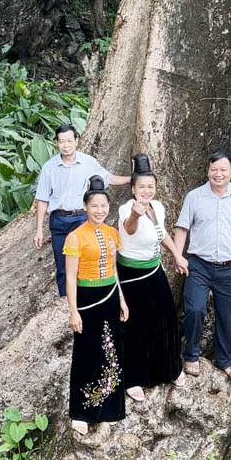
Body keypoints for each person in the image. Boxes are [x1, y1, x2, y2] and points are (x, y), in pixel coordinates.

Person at [173, 150, 231, 381]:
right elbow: (182, 228)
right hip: (199, 265)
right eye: (214, 169)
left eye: (223, 170)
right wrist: (178, 255)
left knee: (228, 316)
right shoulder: (194, 197)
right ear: (208, 171)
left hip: (230, 266)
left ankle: (226, 360)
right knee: (194, 308)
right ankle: (191, 355)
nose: (218, 174)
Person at [117, 154, 188, 400]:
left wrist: (177, 255)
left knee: (167, 317)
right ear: (133, 189)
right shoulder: (127, 209)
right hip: (132, 274)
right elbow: (129, 228)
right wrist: (136, 214)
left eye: (150, 186)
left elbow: (162, 233)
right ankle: (134, 379)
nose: (146, 191)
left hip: (155, 268)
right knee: (137, 325)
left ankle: (171, 369)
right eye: (142, 187)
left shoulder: (158, 207)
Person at [34, 123, 130, 300]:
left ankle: (86, 298)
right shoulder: (50, 167)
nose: (66, 145)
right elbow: (42, 199)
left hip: (82, 219)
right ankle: (66, 301)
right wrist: (39, 229)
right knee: (63, 264)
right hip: (59, 220)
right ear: (57, 143)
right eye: (62, 141)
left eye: (69, 141)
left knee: (85, 261)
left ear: (76, 141)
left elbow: (109, 178)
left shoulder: (88, 162)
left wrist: (133, 180)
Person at [63, 176, 128, 436]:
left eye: (103, 206)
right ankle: (81, 412)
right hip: (87, 299)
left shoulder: (113, 234)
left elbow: (114, 269)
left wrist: (122, 299)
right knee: (86, 352)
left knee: (111, 351)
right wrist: (73, 310)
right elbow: (70, 277)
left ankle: (110, 409)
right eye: (94, 206)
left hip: (110, 295)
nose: (99, 210)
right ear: (86, 207)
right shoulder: (75, 237)